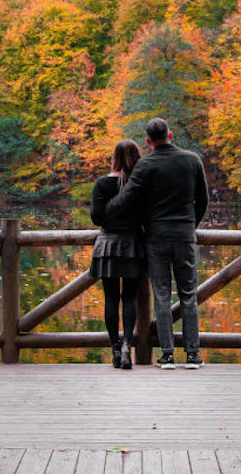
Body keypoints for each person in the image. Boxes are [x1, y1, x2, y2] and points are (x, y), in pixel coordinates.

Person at [106, 118, 209, 370]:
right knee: (188, 294)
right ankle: (193, 355)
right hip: (185, 234)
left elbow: (127, 199)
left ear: (148, 141)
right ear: (170, 135)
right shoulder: (192, 160)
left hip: (155, 236)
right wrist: (190, 225)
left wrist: (104, 210)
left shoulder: (145, 165)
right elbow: (203, 199)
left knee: (162, 295)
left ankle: (167, 355)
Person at [89, 139, 147, 369]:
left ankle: (115, 347)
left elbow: (96, 218)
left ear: (113, 158)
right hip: (132, 245)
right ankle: (127, 347)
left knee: (111, 298)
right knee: (130, 298)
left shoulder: (102, 184)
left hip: (108, 245)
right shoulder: (140, 185)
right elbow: (146, 217)